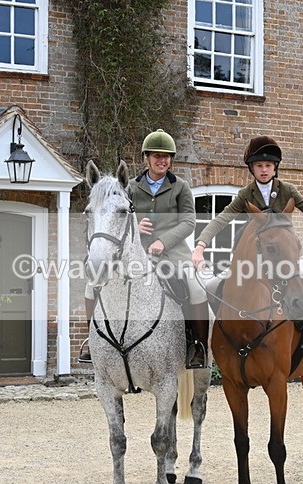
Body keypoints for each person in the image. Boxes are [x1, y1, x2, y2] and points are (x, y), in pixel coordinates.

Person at [191, 136, 303, 365]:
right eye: (259, 166)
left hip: (286, 254)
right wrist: (200, 247)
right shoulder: (245, 195)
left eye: (268, 165)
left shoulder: (287, 190)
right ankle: (214, 340)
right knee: (212, 287)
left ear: (275, 167)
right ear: (252, 168)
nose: (264, 170)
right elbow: (221, 220)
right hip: (254, 256)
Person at [80, 129, 209, 369]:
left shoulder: (181, 187)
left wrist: (164, 241)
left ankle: (199, 348)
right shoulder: (128, 186)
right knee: (91, 286)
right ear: (146, 158)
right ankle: (92, 341)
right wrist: (136, 227)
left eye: (167, 156)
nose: (163, 161)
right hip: (134, 255)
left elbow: (189, 222)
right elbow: (116, 216)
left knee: (195, 287)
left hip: (173, 255)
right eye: (157, 156)